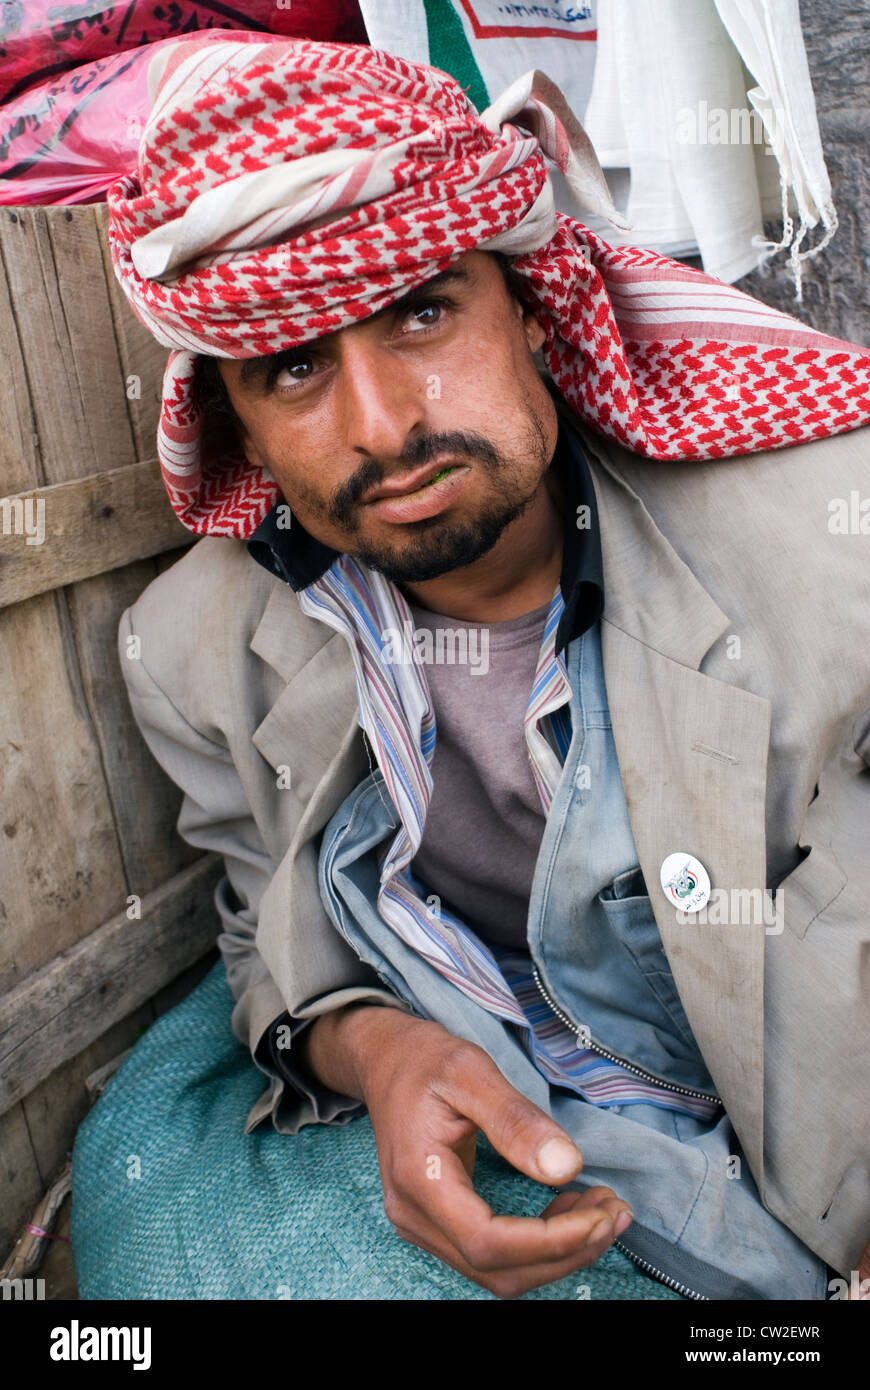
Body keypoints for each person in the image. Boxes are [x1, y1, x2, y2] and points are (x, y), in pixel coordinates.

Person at [103, 36, 870, 1300]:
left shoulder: (829, 549)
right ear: (231, 414)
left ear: (527, 304)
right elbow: (264, 929)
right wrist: (374, 1048)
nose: (384, 425)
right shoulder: (190, 654)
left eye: (421, 310)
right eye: (293, 365)